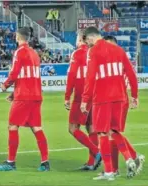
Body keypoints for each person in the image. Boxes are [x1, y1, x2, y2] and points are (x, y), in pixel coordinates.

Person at [81, 27, 141, 181]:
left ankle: (109, 171)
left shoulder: (93, 52)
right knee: (113, 131)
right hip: (120, 97)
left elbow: (90, 77)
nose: (87, 43)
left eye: (87, 40)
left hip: (102, 98)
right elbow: (131, 74)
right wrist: (134, 96)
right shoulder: (119, 50)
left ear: (91, 38)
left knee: (102, 132)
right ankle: (129, 158)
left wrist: (85, 100)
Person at [0, 27, 50, 172]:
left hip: (24, 96)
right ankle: (45, 162)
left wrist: (5, 85)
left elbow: (14, 73)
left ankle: (11, 162)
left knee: (13, 126)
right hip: (36, 95)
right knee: (36, 127)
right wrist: (14, 93)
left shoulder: (19, 52)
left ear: (17, 37)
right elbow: (27, 77)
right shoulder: (34, 53)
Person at [102, 35, 146, 176]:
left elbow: (132, 76)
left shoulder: (120, 57)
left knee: (111, 131)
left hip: (119, 98)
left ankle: (130, 158)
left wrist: (135, 96)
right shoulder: (107, 57)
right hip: (110, 98)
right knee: (111, 133)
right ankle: (119, 166)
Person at [64, 33, 101, 171]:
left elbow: (72, 75)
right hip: (95, 94)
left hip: (81, 95)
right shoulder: (95, 52)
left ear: (80, 40)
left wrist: (67, 96)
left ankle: (97, 152)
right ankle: (91, 163)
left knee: (73, 128)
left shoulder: (77, 53)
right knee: (91, 128)